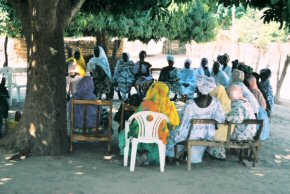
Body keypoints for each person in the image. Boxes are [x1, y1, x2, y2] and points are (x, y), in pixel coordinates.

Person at [119, 82, 180, 165]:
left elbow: (135, 121)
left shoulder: (144, 104)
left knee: (127, 133)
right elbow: (172, 125)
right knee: (164, 136)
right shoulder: (170, 106)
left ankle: (141, 154)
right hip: (159, 136)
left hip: (141, 133)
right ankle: (148, 157)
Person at [174, 76, 225, 163]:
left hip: (192, 135)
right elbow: (221, 118)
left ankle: (177, 156)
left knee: (173, 132)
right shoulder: (215, 102)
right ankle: (188, 155)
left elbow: (184, 120)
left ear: (198, 89)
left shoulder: (190, 104)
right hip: (207, 135)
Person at [247, 76, 270, 140]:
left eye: (249, 82)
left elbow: (260, 105)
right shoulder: (251, 90)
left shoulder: (256, 91)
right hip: (257, 111)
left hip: (260, 113)